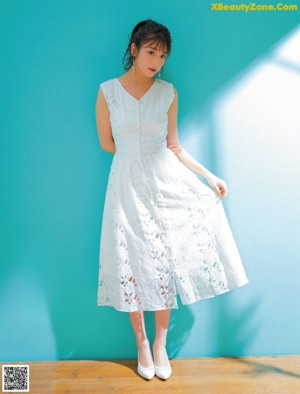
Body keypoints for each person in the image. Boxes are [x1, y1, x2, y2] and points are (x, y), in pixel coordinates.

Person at [95, 19, 249, 381]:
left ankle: (161, 344)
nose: (156, 61)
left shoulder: (168, 92)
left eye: (162, 55)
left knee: (163, 261)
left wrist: (209, 177)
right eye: (151, 52)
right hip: (125, 183)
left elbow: (174, 146)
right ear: (134, 49)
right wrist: (134, 157)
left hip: (164, 180)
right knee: (131, 262)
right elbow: (107, 142)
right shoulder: (107, 92)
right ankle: (142, 344)